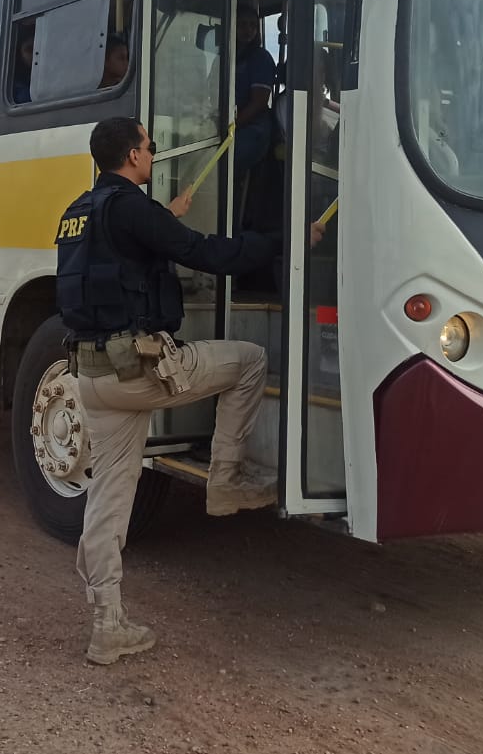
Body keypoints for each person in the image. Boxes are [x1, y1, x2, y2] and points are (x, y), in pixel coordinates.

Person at [57, 117, 320, 666]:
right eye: (150, 148)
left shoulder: (78, 212)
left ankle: (107, 624)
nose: (153, 155)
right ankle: (225, 480)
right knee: (250, 362)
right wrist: (288, 240)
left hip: (90, 377)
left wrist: (163, 220)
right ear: (132, 154)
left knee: (107, 498)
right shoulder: (133, 209)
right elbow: (211, 255)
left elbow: (117, 260)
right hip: (141, 372)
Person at [232, 3, 278, 187]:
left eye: (252, 25)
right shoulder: (228, 56)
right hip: (231, 124)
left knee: (226, 156)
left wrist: (232, 126)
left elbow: (259, 102)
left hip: (253, 128)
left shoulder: (261, 58)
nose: (248, 30)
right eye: (242, 24)